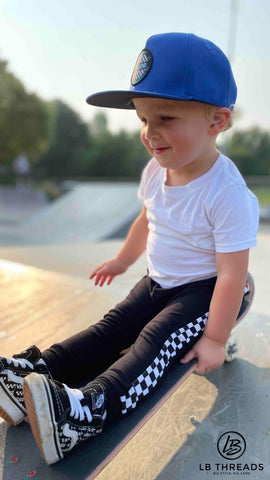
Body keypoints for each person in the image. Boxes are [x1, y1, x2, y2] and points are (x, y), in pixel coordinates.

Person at [0, 33, 259, 465]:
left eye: (166, 118)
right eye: (143, 119)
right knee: (111, 327)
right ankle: (36, 373)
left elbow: (233, 274)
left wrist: (215, 338)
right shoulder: (158, 171)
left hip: (206, 292)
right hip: (158, 281)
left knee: (151, 343)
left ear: (218, 120)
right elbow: (147, 219)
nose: (150, 133)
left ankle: (87, 413)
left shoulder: (227, 193)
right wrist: (123, 260)